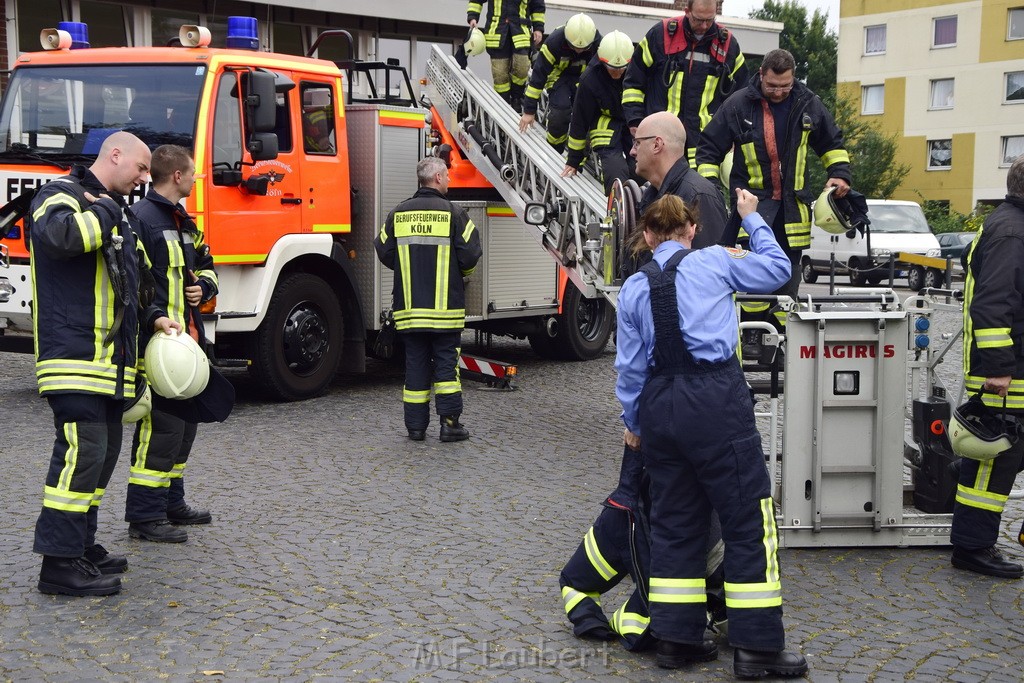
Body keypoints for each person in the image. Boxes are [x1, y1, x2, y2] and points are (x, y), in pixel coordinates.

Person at [615, 191, 807, 677]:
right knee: (747, 519)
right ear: (691, 231)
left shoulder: (635, 288)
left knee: (676, 521)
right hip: (715, 399)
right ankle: (757, 649)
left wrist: (635, 426)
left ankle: (676, 640)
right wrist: (752, 218)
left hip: (660, 407)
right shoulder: (716, 261)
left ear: (648, 235)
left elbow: (630, 372)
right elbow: (777, 269)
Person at [29, 131, 179, 596]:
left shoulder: (117, 211)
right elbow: (62, 239)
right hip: (74, 358)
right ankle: (58, 565)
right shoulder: (59, 197)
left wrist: (153, 317)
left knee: (100, 458)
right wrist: (107, 210)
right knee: (80, 458)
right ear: (114, 156)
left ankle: (81, 546)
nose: (142, 178)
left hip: (110, 365)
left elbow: (133, 286)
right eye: (138, 168)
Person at [695, 48, 851, 357]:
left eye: (785, 85)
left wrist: (839, 173)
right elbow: (708, 149)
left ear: (793, 78)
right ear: (761, 76)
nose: (779, 92)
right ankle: (751, 338)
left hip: (793, 209)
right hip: (750, 207)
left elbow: (832, 143)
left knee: (789, 278)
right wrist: (711, 188)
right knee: (751, 278)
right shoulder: (738, 105)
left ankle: (780, 343)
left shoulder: (809, 103)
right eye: (772, 86)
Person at [125, 145, 219, 543]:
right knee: (159, 432)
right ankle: (145, 518)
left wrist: (205, 287)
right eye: (193, 174)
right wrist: (154, 321)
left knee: (184, 429)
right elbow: (133, 283)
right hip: (160, 345)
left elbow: (206, 263)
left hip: (190, 342)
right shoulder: (141, 220)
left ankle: (171, 503)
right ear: (177, 176)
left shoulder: (185, 221)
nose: (197, 180)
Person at [559, 443, 726, 651]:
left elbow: (573, 581)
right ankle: (641, 622)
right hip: (660, 517)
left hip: (626, 505)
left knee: (576, 581)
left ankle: (623, 619)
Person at [949, 154, 1024, 579]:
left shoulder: (1007, 224)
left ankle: (960, 470)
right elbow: (993, 305)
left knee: (1006, 455)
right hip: (1006, 374)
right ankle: (972, 548)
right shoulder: (1012, 233)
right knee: (996, 460)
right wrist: (998, 368)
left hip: (1009, 367)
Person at [374, 157, 482, 442]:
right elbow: (471, 255)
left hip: (409, 310)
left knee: (415, 366)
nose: (449, 180)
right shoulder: (454, 214)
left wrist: (407, 264)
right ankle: (449, 424)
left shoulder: (399, 213)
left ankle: (416, 428)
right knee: (447, 367)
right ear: (436, 177)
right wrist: (461, 274)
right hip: (445, 310)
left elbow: (384, 250)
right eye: (446, 175)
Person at [622, 0, 747, 165]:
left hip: (704, 144)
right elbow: (633, 82)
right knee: (658, 188)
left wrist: (733, 135)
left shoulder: (728, 45)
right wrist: (635, 121)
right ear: (687, 11)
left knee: (698, 189)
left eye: (710, 20)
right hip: (660, 139)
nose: (704, 26)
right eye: (698, 20)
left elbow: (742, 95)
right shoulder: (661, 35)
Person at [632, 111, 727, 249]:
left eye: (637, 143)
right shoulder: (651, 196)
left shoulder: (699, 196)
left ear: (656, 145)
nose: (632, 151)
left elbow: (710, 267)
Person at [561, 31, 635, 194]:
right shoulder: (589, 79)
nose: (617, 73)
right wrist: (574, 160)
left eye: (622, 68)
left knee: (640, 169)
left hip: (633, 122)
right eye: (612, 68)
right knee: (615, 171)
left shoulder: (638, 72)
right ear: (602, 61)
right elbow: (580, 120)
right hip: (605, 124)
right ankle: (617, 212)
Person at [518, 13, 600, 152]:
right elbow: (538, 77)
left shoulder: (598, 44)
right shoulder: (554, 42)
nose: (578, 51)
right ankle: (555, 149)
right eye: (574, 47)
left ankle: (579, 158)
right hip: (558, 77)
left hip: (583, 79)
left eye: (583, 48)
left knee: (586, 114)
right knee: (560, 112)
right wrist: (529, 111)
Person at [467, 0, 545, 111]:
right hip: (497, 32)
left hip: (520, 31)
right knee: (500, 73)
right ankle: (503, 103)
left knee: (522, 67)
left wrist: (538, 28)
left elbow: (538, 6)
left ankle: (517, 97)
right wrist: (473, 17)